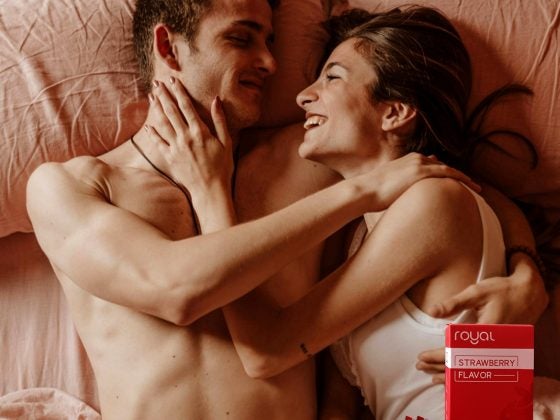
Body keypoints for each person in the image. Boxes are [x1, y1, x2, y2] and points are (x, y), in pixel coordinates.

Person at [26, 1, 546, 420]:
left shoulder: (309, 156)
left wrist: (526, 271)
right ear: (168, 46)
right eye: (241, 38)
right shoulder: (71, 186)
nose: (272, 65)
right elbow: (177, 290)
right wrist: (361, 193)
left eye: (271, 42)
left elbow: (442, 180)